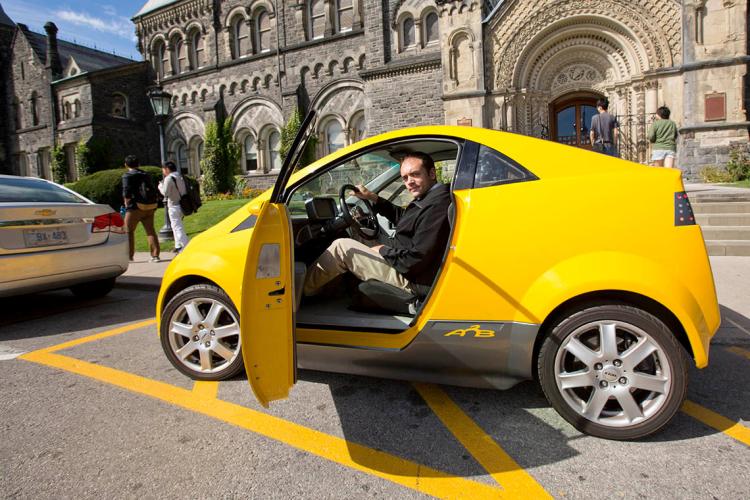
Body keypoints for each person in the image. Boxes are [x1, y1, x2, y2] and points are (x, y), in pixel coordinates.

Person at [303, 152, 451, 298]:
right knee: (358, 231)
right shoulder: (430, 198)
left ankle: (298, 292)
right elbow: (406, 219)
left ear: (432, 173)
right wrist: (372, 197)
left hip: (413, 279)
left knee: (341, 248)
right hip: (404, 256)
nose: (409, 182)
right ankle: (332, 288)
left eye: (415, 174)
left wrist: (383, 250)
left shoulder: (437, 205)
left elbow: (416, 260)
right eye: (405, 178)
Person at [122, 155, 160, 262]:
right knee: (150, 231)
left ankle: (129, 256)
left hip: (134, 207)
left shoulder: (127, 176)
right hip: (149, 206)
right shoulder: (146, 174)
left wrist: (126, 203)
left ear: (126, 165)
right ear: (138, 164)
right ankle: (155, 255)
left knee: (128, 231)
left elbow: (126, 192)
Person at [158, 161, 189, 253]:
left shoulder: (169, 178)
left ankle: (184, 246)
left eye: (163, 169)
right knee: (176, 226)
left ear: (167, 169)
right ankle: (178, 245)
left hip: (173, 205)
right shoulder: (180, 176)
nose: (163, 171)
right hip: (183, 204)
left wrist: (160, 186)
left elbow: (165, 193)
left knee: (177, 226)